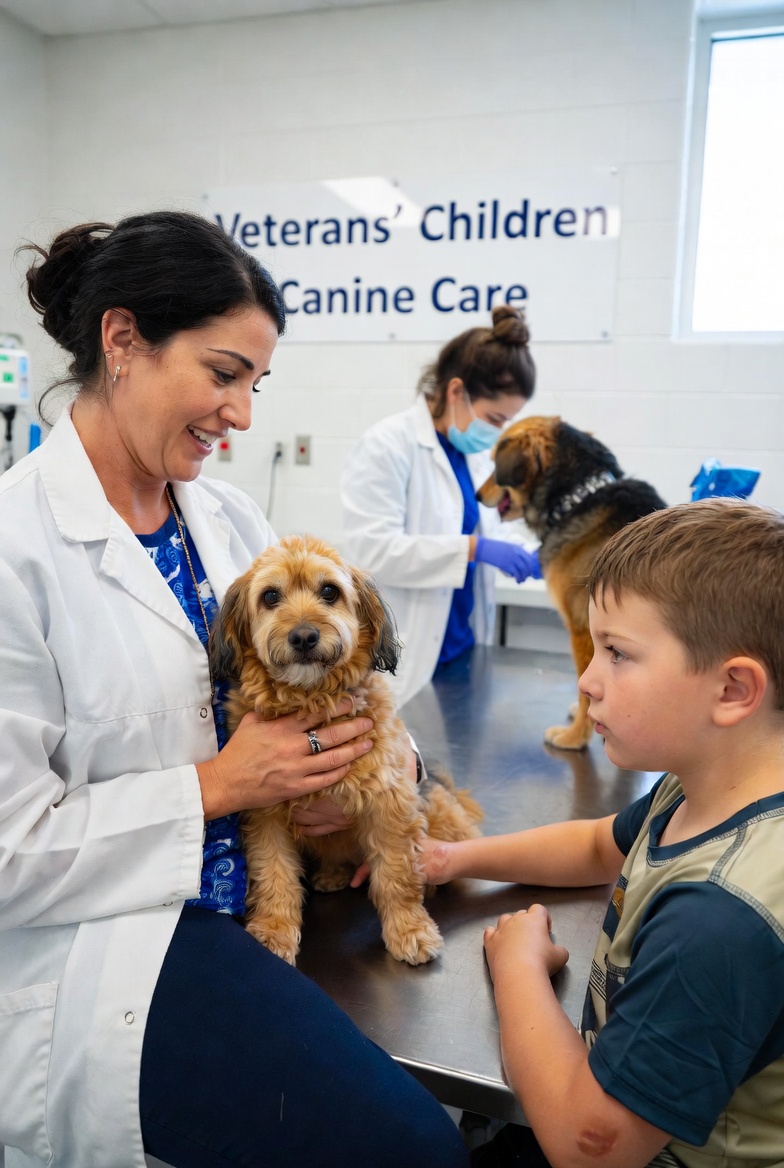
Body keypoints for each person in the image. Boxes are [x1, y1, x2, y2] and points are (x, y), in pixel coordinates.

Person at [0, 211, 470, 1168]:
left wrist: (384, 763)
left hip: (291, 883)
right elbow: (9, 853)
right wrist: (220, 787)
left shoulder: (228, 512)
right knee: (409, 1148)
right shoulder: (17, 550)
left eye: (256, 384)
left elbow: (326, 671)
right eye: (222, 376)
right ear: (122, 342)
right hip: (124, 943)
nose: (243, 415)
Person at [420, 499, 784, 1168]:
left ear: (733, 690)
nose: (586, 681)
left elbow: (591, 1148)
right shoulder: (706, 782)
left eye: (616, 654)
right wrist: (451, 857)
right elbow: (595, 847)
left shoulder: (719, 921)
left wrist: (518, 968)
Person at [341, 306, 538, 711]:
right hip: (409, 656)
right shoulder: (388, 445)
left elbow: (492, 532)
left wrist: (539, 555)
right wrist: (473, 549)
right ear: (455, 392)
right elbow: (371, 552)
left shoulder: (475, 456)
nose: (498, 431)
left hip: (462, 649)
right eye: (495, 417)